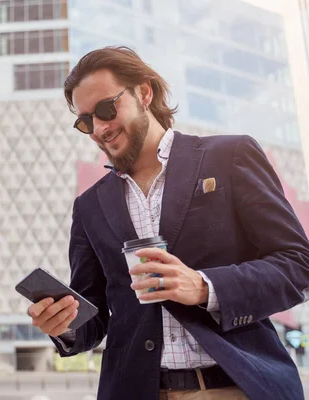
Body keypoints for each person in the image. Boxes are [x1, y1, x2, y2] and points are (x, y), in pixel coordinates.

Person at [27, 46, 309, 400]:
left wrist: (205, 287)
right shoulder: (89, 206)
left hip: (238, 385)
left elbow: (297, 263)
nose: (99, 128)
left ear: (144, 93)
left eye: (105, 109)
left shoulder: (229, 157)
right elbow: (94, 318)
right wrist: (65, 324)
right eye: (86, 121)